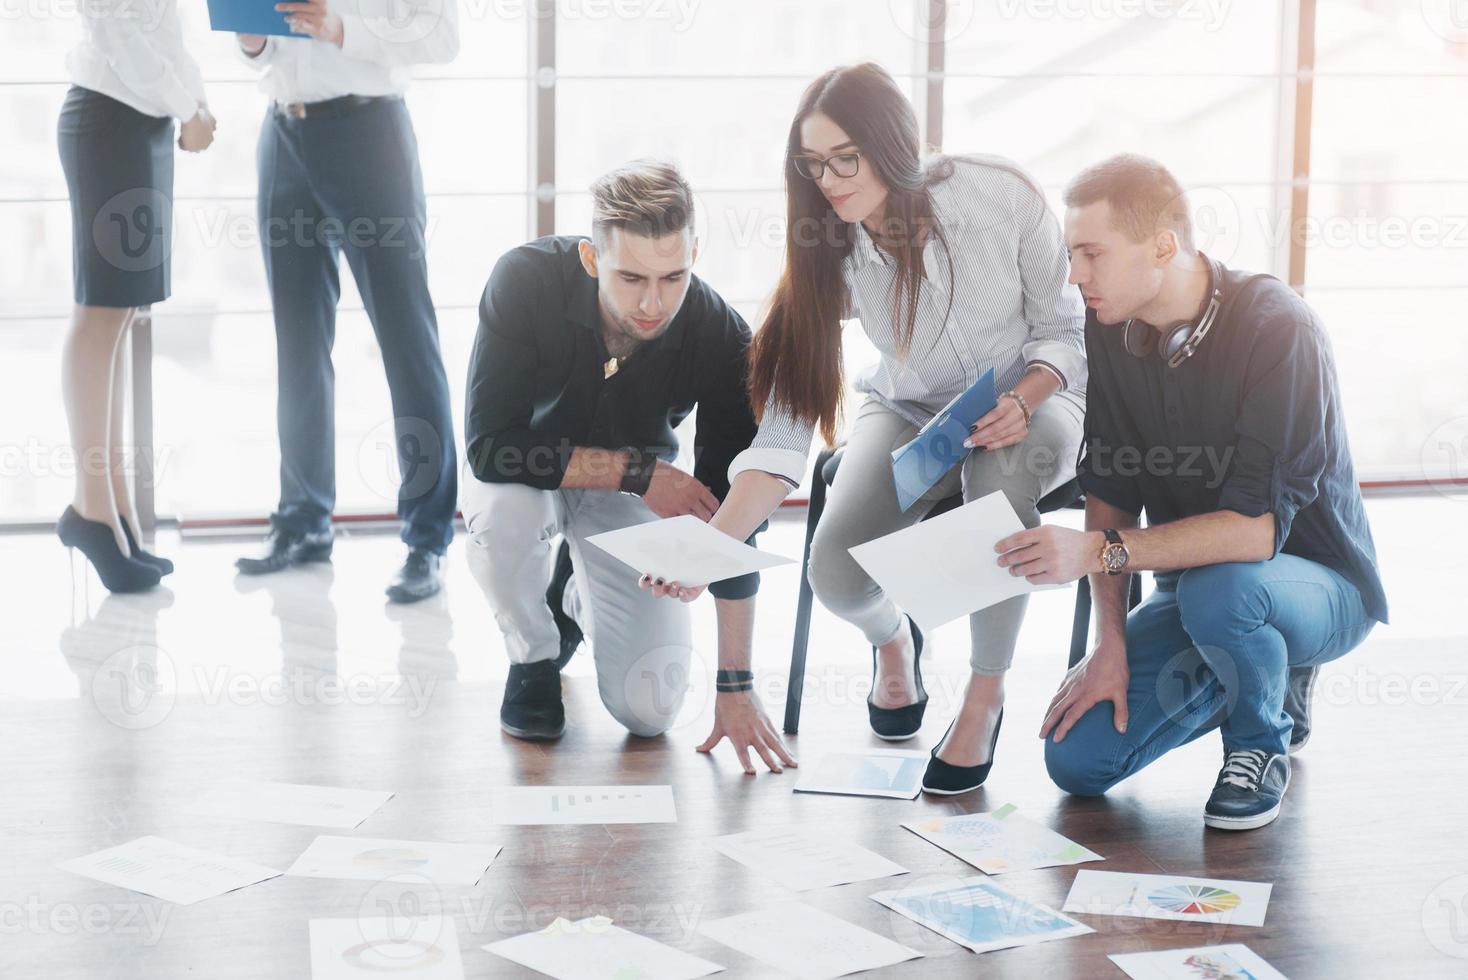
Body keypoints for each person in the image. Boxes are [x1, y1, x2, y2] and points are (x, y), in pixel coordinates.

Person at [645, 63, 1087, 795]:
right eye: (814, 164)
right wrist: (714, 544)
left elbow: (1065, 329)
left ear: (892, 143)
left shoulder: (999, 195)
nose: (830, 180)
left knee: (998, 490)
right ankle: (894, 640)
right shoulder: (830, 249)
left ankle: (984, 696)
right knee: (836, 571)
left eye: (844, 158)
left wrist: (1029, 393)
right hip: (911, 408)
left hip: (1033, 398)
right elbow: (784, 432)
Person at [994, 153, 1388, 830]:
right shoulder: (1110, 325)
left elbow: (1252, 532)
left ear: (1163, 245)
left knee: (1224, 590)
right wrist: (1109, 644)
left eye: (1091, 254)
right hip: (1203, 589)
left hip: (1314, 586)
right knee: (1077, 764)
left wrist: (1093, 552)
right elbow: (1111, 490)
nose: (1073, 275)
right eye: (1070, 254)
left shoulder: (1278, 328)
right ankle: (1251, 667)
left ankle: (1261, 743)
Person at [459, 161, 795, 773]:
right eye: (631, 276)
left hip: (625, 494)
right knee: (503, 511)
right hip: (527, 478)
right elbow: (490, 449)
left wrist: (734, 681)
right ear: (591, 259)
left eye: (674, 276)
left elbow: (734, 509)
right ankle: (534, 655)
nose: (652, 302)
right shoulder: (523, 279)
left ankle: (572, 595)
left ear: (695, 252)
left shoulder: (721, 334)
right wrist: (639, 473)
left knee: (651, 710)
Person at [232, 0, 460, 602]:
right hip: (282, 134)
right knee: (298, 344)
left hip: (370, 135)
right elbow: (264, 49)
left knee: (406, 338)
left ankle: (427, 538)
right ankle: (303, 521)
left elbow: (442, 35)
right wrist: (252, 39)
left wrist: (343, 29)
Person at [55, 0, 216, 592]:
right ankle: (91, 509)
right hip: (108, 121)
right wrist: (185, 107)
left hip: (138, 124)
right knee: (99, 314)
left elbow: (165, 32)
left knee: (120, 315)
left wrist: (197, 104)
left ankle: (114, 507)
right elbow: (119, 31)